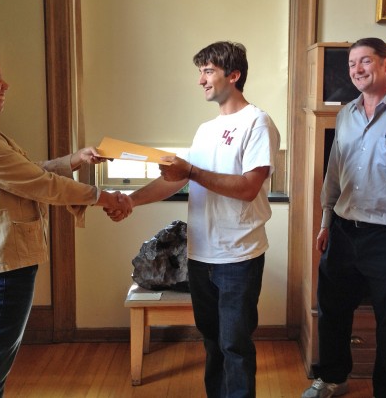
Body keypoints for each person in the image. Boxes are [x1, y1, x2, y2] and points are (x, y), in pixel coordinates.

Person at [0, 47, 132, 398]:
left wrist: (73, 159)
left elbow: (25, 175)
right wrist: (104, 198)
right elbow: (43, 186)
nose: (5, 85)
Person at [107, 41, 280, 398]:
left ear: (234, 75)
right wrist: (130, 201)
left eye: (208, 71)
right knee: (213, 342)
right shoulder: (205, 130)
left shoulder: (258, 123)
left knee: (235, 345)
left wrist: (192, 171)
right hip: (200, 256)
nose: (201, 80)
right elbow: (178, 178)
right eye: (200, 72)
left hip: (238, 256)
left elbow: (249, 187)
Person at [302, 37, 386, 398]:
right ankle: (332, 377)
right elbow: (334, 173)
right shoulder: (346, 113)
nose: (357, 70)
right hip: (344, 231)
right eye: (351, 64)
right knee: (331, 311)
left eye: (364, 61)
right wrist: (325, 222)